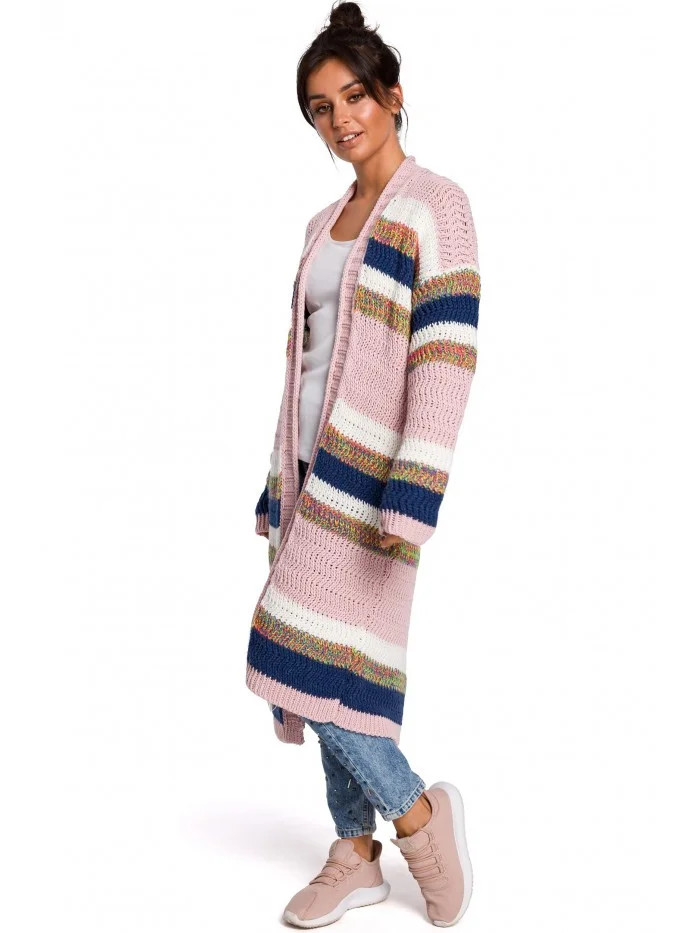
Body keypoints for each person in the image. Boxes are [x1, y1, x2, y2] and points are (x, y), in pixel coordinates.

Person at [247, 2, 481, 927]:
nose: (340, 118)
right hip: (309, 473)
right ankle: (355, 852)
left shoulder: (436, 205)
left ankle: (418, 817)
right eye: (320, 107)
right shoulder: (321, 221)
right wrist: (276, 481)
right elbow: (304, 363)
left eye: (353, 96)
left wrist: (413, 489)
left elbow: (445, 356)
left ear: (391, 95)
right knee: (329, 663)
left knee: (307, 659)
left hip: (376, 484)